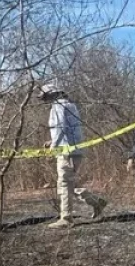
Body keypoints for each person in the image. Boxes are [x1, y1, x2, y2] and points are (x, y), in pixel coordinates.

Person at [40, 82, 108, 228]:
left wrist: (53, 148)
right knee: (66, 183)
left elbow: (61, 128)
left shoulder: (58, 107)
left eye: (45, 96)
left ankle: (66, 218)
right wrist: (52, 141)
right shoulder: (71, 105)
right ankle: (96, 202)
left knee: (64, 184)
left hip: (66, 151)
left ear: (52, 94)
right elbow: (67, 130)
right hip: (74, 150)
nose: (44, 100)